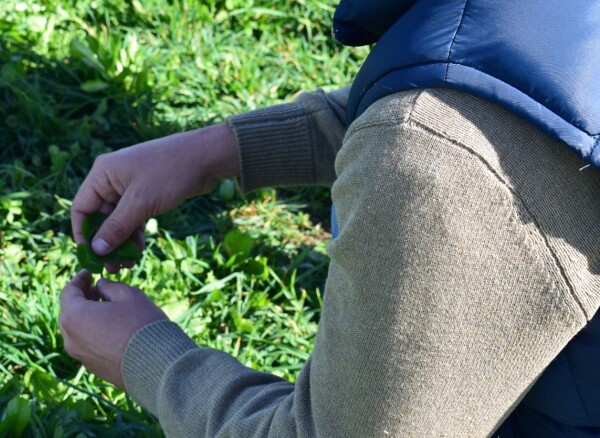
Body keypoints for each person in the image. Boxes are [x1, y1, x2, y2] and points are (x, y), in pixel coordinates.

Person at [59, 1, 600, 436]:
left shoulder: (434, 167)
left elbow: (450, 139)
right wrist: (220, 148)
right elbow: (509, 91)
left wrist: (149, 359)